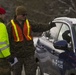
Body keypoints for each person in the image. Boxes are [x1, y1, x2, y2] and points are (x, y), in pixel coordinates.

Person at [7, 6, 54, 75]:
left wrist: (49, 26)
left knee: (31, 72)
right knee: (16, 73)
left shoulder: (28, 23)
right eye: (23, 15)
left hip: (29, 54)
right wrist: (9, 55)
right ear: (17, 15)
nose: (25, 16)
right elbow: (7, 40)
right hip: (16, 55)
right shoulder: (10, 25)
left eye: (26, 15)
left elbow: (39, 27)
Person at [0, 7, 15, 75]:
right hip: (2, 59)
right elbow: (2, 43)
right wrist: (8, 56)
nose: (4, 16)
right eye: (3, 14)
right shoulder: (1, 26)